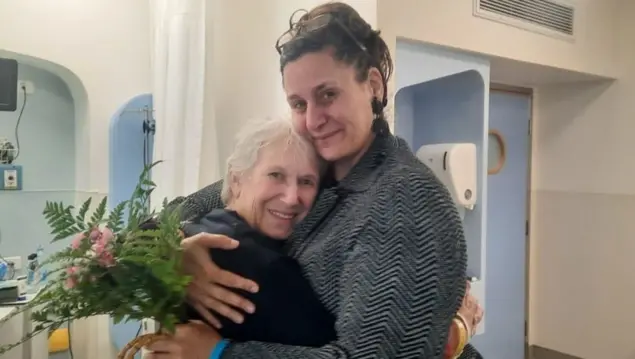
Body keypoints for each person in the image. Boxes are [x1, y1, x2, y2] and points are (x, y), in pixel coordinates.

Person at [146, 2, 484, 358]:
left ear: (372, 85)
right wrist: (173, 252)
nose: (312, 121)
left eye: (328, 95)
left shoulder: (404, 200)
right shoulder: (309, 168)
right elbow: (161, 221)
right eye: (298, 103)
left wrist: (220, 354)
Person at [172, 116, 336, 346]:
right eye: (275, 175)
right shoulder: (263, 267)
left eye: (306, 181)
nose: (291, 198)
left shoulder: (197, 228)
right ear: (236, 179)